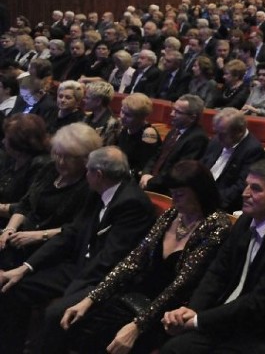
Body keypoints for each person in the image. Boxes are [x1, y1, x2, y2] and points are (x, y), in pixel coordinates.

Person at [58, 161, 232, 354]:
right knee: (79, 323)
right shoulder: (172, 215)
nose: (174, 201)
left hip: (170, 313)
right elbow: (133, 261)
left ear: (199, 192)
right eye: (171, 194)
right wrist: (91, 299)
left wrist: (137, 326)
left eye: (180, 194)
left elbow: (181, 286)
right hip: (136, 297)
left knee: (111, 341)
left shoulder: (217, 226)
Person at [0, 146, 156, 354]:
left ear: (98, 175)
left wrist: (75, 289)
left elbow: (111, 258)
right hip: (80, 266)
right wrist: (25, 268)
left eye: (88, 170)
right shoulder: (98, 191)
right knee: (13, 288)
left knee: (56, 313)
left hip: (104, 277)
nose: (85, 175)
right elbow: (70, 234)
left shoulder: (132, 203)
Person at [159, 160, 265, 354]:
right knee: (173, 349)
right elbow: (218, 271)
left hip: (257, 334)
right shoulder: (246, 220)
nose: (245, 193)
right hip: (224, 318)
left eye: (256, 189)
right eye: (247, 185)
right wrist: (193, 309)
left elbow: (258, 304)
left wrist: (199, 320)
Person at [0, 123, 102, 269]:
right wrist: (10, 229)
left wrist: (39, 235)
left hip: (52, 251)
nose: (60, 162)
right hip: (20, 240)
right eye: (58, 154)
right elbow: (26, 204)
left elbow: (77, 229)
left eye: (68, 157)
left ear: (86, 159)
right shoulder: (49, 169)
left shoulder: (90, 186)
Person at [141, 94, 209, 193]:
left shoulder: (198, 139)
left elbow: (179, 171)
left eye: (178, 112)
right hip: (152, 182)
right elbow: (157, 155)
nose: (172, 114)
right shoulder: (175, 130)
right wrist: (145, 173)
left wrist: (151, 182)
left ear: (192, 118)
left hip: (169, 190)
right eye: (173, 109)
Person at [200, 108, 265, 212]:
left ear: (239, 131)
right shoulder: (217, 140)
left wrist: (210, 200)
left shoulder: (253, 150)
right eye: (216, 132)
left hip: (222, 205)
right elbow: (202, 166)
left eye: (223, 134)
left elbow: (240, 187)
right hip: (201, 196)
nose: (218, 137)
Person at [0, 114, 52, 224]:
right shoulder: (10, 157)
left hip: (16, 226)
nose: (3, 141)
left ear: (19, 143)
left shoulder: (41, 165)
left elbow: (29, 206)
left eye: (7, 138)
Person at [116, 93, 162, 179]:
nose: (122, 117)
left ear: (141, 117)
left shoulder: (148, 134)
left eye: (128, 115)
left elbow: (144, 167)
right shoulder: (125, 128)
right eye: (122, 111)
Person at [82, 81, 121, 145]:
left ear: (98, 102)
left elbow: (105, 148)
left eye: (87, 98)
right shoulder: (87, 117)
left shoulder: (112, 124)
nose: (84, 100)